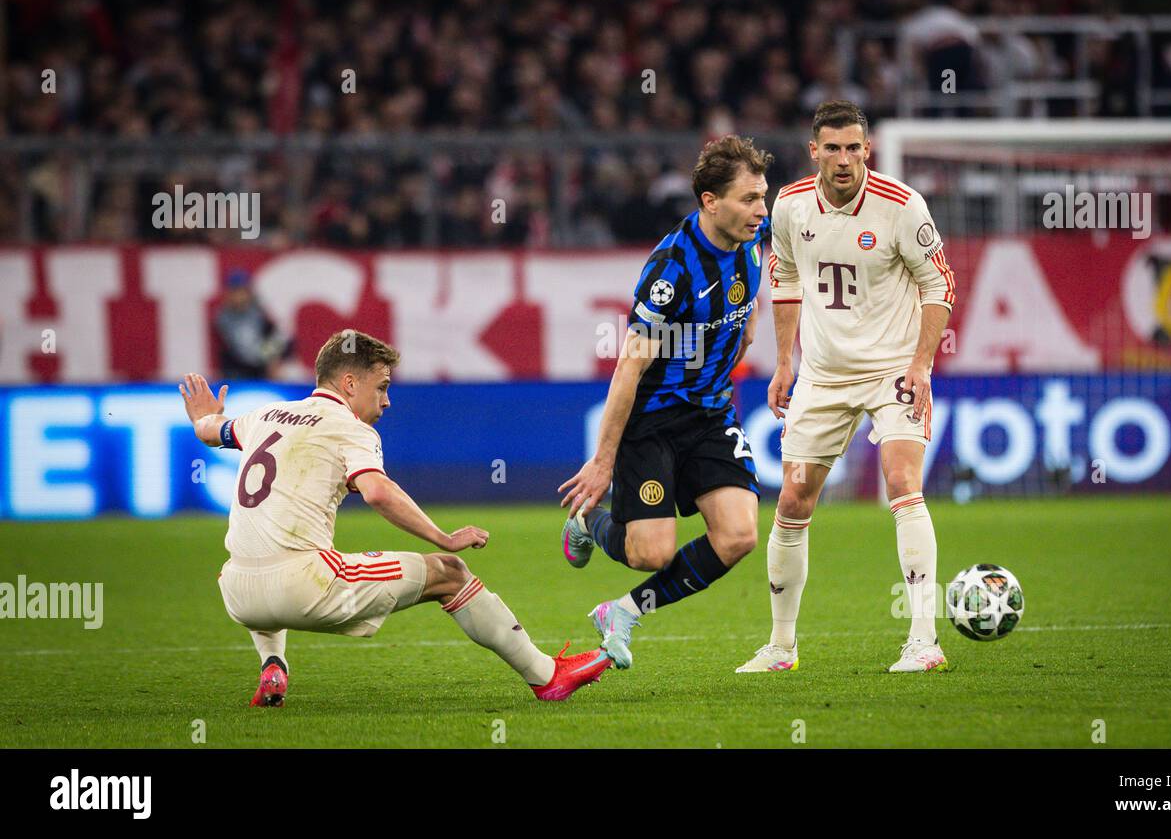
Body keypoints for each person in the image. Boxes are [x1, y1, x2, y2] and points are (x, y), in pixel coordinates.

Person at [179, 329, 611, 705]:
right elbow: (378, 492)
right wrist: (442, 537)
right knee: (451, 572)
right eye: (381, 387)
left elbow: (211, 431)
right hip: (304, 587)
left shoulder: (265, 414)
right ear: (349, 382)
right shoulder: (350, 428)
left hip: (237, 593)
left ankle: (272, 664)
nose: (386, 401)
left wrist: (204, 416)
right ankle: (546, 677)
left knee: (263, 549)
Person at [736, 100, 958, 675]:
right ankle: (782, 647)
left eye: (853, 148)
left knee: (902, 481)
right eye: (831, 148)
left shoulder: (902, 207)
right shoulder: (787, 206)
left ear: (868, 150)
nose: (843, 159)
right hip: (824, 373)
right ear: (814, 151)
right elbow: (782, 279)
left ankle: (923, 641)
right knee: (792, 498)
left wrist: (921, 365)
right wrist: (784, 362)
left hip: (892, 370)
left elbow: (940, 285)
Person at [558, 135, 771, 670]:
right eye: (749, 199)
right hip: (652, 421)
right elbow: (629, 367)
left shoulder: (755, 238)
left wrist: (745, 337)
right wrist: (603, 461)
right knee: (648, 553)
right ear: (709, 201)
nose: (760, 210)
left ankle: (623, 613)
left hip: (710, 413)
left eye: (763, 197)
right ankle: (590, 523)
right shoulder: (670, 272)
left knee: (740, 534)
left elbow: (749, 302)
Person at [213, 270, 294, 380]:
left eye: (242, 291)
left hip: (262, 367)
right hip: (239, 369)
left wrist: (273, 358)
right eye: (235, 292)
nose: (239, 296)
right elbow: (242, 350)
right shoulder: (223, 318)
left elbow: (281, 337)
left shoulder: (260, 312)